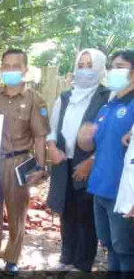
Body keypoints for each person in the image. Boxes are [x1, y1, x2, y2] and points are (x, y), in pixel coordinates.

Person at [0, 49, 49, 275]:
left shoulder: (34, 99)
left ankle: (12, 258)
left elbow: (39, 136)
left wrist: (40, 166)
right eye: (6, 65)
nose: (10, 70)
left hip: (18, 161)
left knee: (17, 212)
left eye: (16, 65)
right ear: (1, 69)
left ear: (25, 69)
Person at [46, 49, 109, 272]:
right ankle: (66, 256)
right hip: (64, 162)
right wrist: (51, 146)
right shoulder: (65, 97)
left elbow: (109, 137)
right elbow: (52, 129)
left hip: (91, 164)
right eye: (80, 65)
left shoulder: (107, 97)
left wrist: (91, 161)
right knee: (66, 209)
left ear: (100, 67)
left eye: (90, 65)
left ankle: (83, 263)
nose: (85, 70)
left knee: (86, 213)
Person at [78, 50, 134, 272]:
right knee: (109, 245)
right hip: (100, 187)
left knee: (125, 248)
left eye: (119, 66)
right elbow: (94, 146)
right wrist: (84, 138)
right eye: (111, 67)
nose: (112, 71)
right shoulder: (107, 106)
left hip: (123, 193)